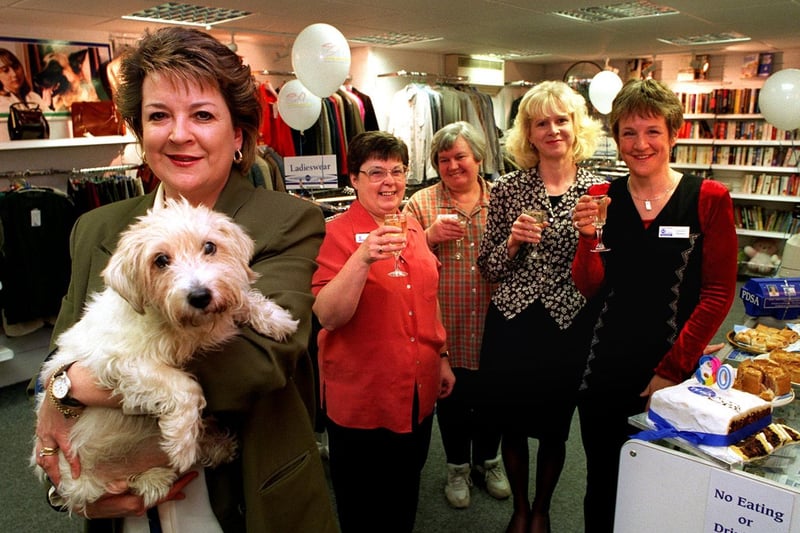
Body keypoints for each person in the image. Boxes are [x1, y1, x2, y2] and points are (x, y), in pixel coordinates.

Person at [30, 26, 338, 533]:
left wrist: (70, 387)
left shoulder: (289, 219)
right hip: (122, 499)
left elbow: (253, 364)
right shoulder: (96, 228)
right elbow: (54, 356)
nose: (178, 134)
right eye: (158, 116)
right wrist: (65, 486)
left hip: (243, 500)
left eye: (202, 114)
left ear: (238, 134)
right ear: (140, 132)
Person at [571, 78, 738, 533]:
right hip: (603, 367)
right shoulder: (602, 198)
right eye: (628, 132)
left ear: (674, 134)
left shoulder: (708, 199)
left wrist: (672, 367)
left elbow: (719, 292)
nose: (640, 144)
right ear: (616, 137)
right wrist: (587, 240)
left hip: (673, 373)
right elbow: (589, 286)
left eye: (652, 132)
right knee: (602, 482)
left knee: (665, 486)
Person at [477, 80, 605, 533]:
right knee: (511, 423)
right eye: (540, 123)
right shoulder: (508, 187)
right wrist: (511, 242)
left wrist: (593, 238)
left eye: (561, 120)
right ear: (527, 134)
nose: (552, 130)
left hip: (568, 324)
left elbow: (608, 269)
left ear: (576, 126)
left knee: (554, 428)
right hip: (512, 323)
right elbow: (487, 268)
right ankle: (519, 508)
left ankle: (543, 509)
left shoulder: (601, 191)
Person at [312, 130, 456, 533]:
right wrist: (361, 259)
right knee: (362, 507)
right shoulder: (334, 233)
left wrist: (441, 357)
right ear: (353, 179)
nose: (389, 181)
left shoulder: (411, 226)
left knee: (404, 493)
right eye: (375, 172)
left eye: (397, 170)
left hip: (417, 389)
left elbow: (429, 295)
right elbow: (328, 316)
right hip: (363, 400)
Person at [403, 121, 510, 509]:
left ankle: (489, 460)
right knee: (450, 400)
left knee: (492, 399)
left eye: (460, 156)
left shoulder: (502, 199)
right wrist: (427, 236)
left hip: (494, 324)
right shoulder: (420, 204)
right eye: (443, 159)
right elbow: (403, 263)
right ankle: (457, 467)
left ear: (479, 157)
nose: (452, 166)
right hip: (444, 327)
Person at [0, 48, 48, 113]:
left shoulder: (33, 96)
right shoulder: (1, 102)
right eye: (6, 70)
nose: (14, 74)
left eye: (16, 67)